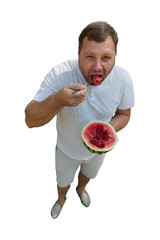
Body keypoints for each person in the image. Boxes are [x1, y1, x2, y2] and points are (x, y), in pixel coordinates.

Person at [25, 21, 135, 219]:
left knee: (88, 176)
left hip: (97, 153)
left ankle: (81, 189)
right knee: (62, 181)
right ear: (78, 54)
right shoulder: (60, 74)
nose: (98, 67)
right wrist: (58, 100)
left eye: (106, 58)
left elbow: (124, 114)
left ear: (115, 57)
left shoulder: (124, 79)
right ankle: (61, 199)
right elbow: (30, 120)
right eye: (90, 57)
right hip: (66, 150)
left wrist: (106, 131)